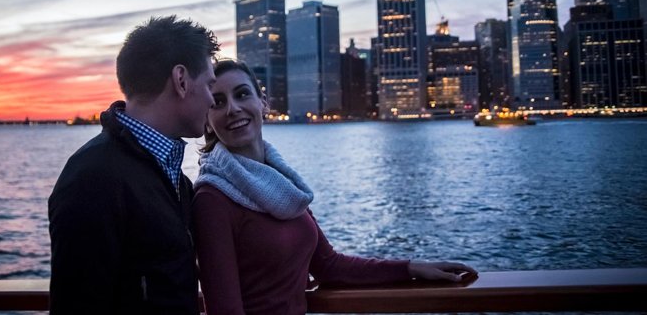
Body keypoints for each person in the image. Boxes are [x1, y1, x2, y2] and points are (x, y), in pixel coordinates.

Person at [191, 59, 477, 315]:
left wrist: (412, 267)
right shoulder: (212, 199)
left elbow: (329, 266)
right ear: (207, 120)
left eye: (242, 94)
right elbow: (225, 310)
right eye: (217, 102)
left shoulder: (282, 184)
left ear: (262, 103)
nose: (233, 109)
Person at [48, 16, 219, 315]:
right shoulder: (93, 179)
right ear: (181, 80)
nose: (212, 101)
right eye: (209, 85)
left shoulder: (173, 178)